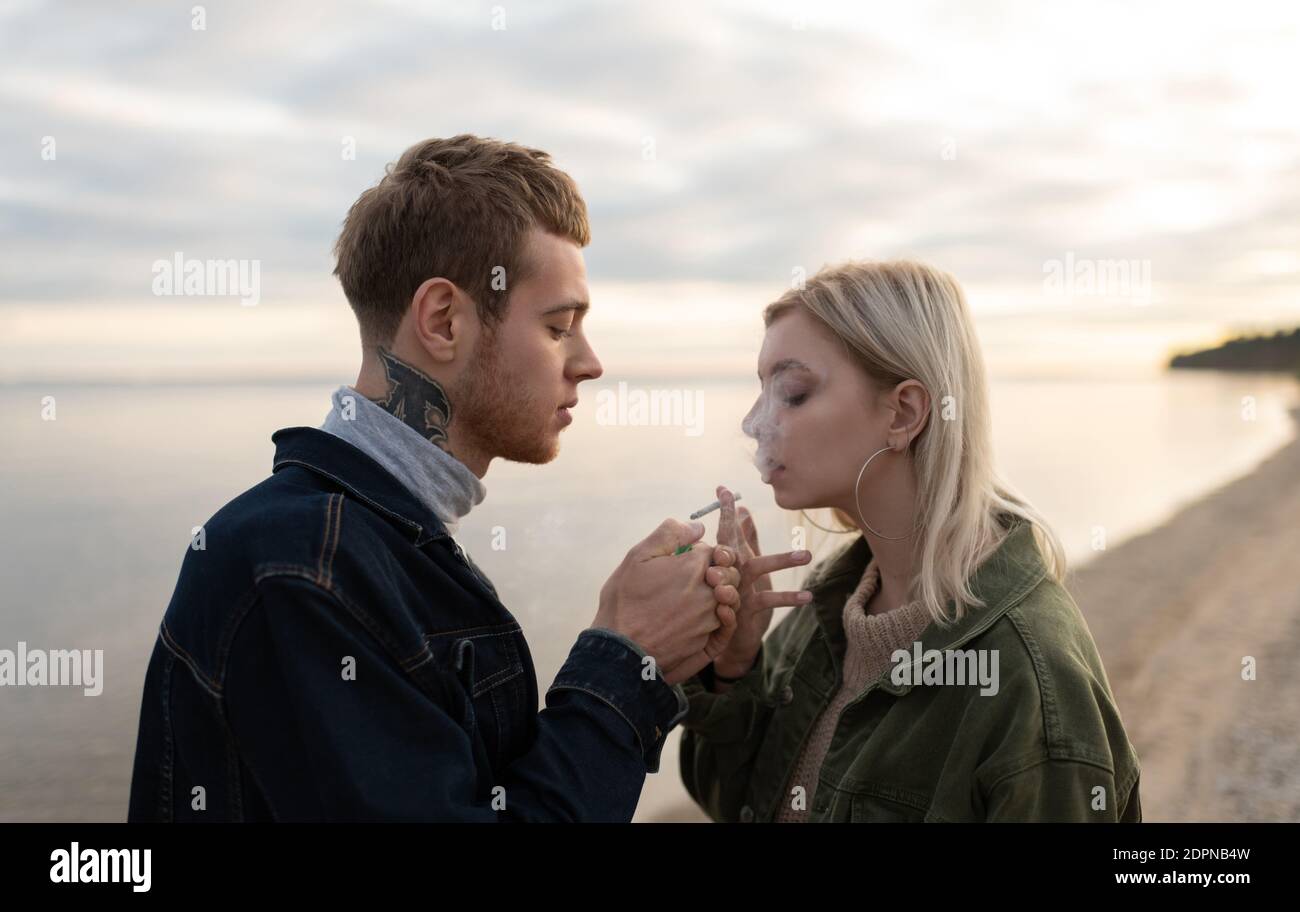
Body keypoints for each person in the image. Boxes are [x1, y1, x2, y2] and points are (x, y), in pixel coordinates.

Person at [127, 134, 810, 821]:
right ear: (444, 321)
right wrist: (626, 655)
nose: (590, 362)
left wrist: (662, 655)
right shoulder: (300, 567)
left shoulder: (371, 540)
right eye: (557, 327)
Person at [681, 260, 1142, 822]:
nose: (754, 424)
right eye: (762, 392)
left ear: (903, 413)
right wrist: (734, 664)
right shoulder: (824, 612)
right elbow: (737, 802)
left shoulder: (1032, 683)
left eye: (793, 393)